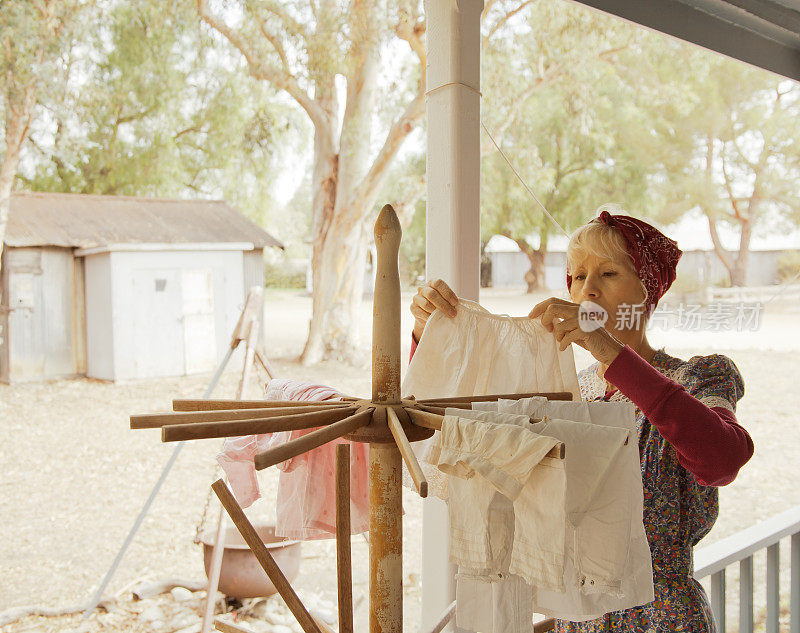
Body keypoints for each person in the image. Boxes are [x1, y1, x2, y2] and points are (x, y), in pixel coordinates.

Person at [408, 208, 753, 632]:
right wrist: (432, 336)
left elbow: (722, 458)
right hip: (578, 619)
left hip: (664, 620)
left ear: (647, 289)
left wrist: (609, 352)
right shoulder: (568, 389)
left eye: (608, 273)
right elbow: (468, 427)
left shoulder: (700, 377)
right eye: (576, 277)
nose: (587, 290)